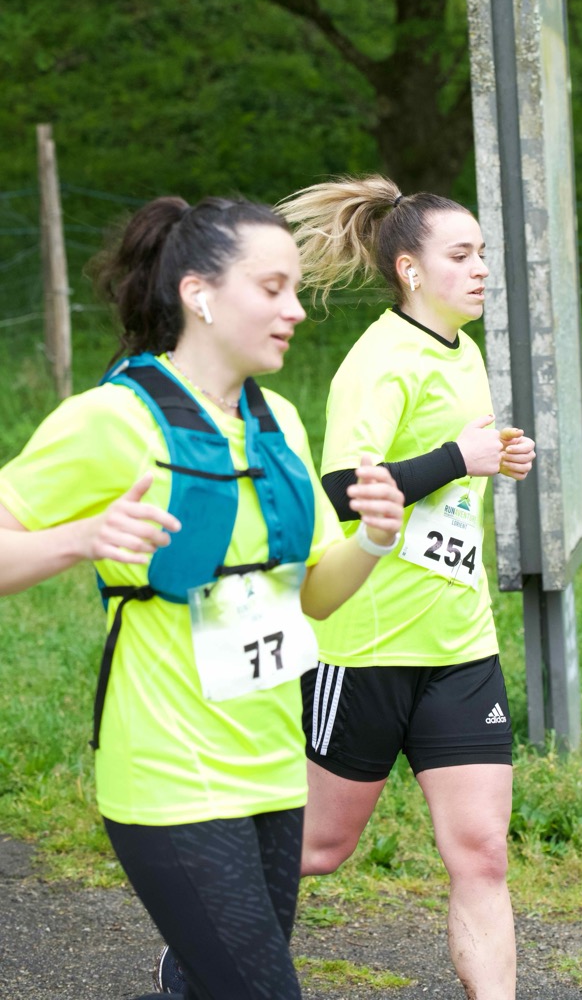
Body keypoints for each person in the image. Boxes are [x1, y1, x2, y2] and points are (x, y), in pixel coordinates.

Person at [0, 196, 404, 1000]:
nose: (295, 310)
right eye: (272, 288)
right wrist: (80, 538)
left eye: (295, 290)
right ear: (200, 294)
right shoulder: (111, 420)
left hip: (272, 766)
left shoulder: (278, 420)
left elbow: (313, 597)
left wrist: (371, 540)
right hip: (169, 770)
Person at [277, 175, 536, 1000]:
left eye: (482, 253)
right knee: (317, 848)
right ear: (409, 270)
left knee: (481, 852)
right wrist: (459, 459)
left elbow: (445, 478)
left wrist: (492, 458)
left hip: (460, 647)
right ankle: (201, 956)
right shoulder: (378, 361)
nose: (480, 268)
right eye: (460, 255)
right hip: (368, 646)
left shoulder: (465, 352)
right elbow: (340, 490)